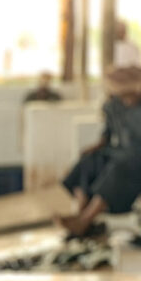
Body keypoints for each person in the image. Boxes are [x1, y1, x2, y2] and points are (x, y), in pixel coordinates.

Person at [58, 66, 141, 237]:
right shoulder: (112, 105)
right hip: (120, 152)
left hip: (135, 158)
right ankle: (81, 211)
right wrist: (95, 147)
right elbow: (108, 133)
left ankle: (86, 219)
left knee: (118, 168)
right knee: (88, 162)